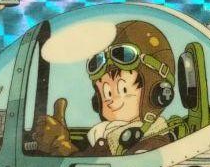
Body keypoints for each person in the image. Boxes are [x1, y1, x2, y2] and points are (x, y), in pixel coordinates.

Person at [32, 20, 176, 157]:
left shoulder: (151, 145)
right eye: (106, 93)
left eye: (123, 90)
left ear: (159, 94)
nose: (111, 100)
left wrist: (64, 146)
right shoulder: (107, 134)